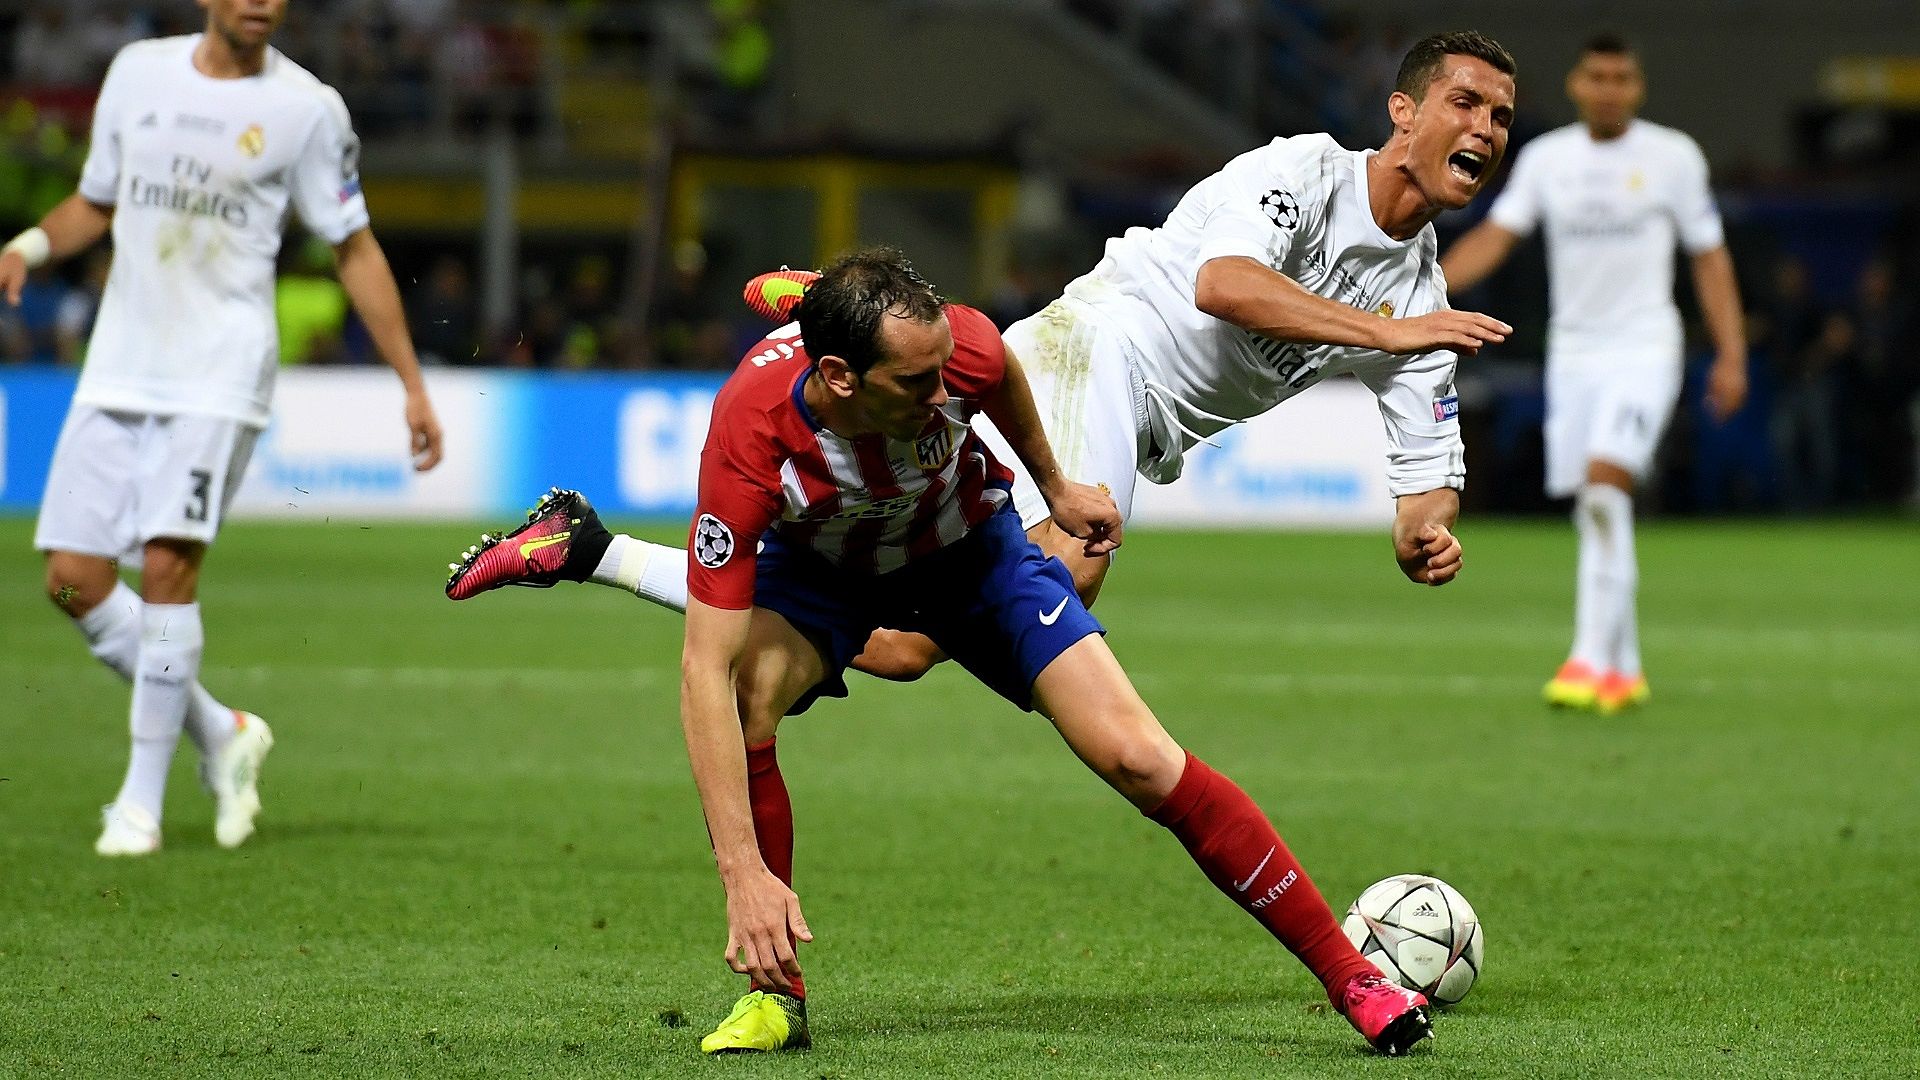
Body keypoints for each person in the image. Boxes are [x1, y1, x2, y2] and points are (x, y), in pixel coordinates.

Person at [476, 249, 1438, 1056]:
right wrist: (743, 873)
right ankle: (777, 998)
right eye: (917, 383)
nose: (946, 394)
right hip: (828, 572)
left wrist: (1055, 485)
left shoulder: (956, 348)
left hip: (972, 554)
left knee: (1140, 757)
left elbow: (998, 371)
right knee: (748, 695)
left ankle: (1352, 979)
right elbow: (701, 667)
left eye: (946, 370)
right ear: (840, 378)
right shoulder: (748, 438)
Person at [448, 31, 1517, 679]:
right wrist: (1387, 331)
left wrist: (1423, 534)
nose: (1485, 126)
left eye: (1502, 116)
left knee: (906, 650)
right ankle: (836, 307)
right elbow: (1224, 286)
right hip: (1098, 346)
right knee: (1069, 573)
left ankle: (590, 548)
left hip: (1134, 419)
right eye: (1464, 101)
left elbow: (1426, 479)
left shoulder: (1424, 306)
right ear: (1403, 111)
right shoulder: (1300, 175)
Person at [1, 0, 445, 856]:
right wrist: (29, 245)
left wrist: (412, 384)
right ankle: (220, 730)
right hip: (120, 364)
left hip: (220, 373)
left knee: (167, 565)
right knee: (70, 579)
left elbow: (353, 246)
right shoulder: (138, 74)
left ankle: (139, 805)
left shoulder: (307, 109)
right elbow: (95, 201)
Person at [1440, 33, 1747, 715]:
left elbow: (1709, 257)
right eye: (1597, 77)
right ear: (1576, 85)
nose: (1609, 90)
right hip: (1575, 355)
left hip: (1645, 348)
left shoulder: (1672, 157)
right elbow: (1496, 235)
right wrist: (1429, 291)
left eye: (1621, 78)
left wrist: (1731, 354)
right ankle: (1625, 668)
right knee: (1593, 506)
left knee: (1606, 490)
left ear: (1638, 87)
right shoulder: (1548, 160)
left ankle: (1585, 657)